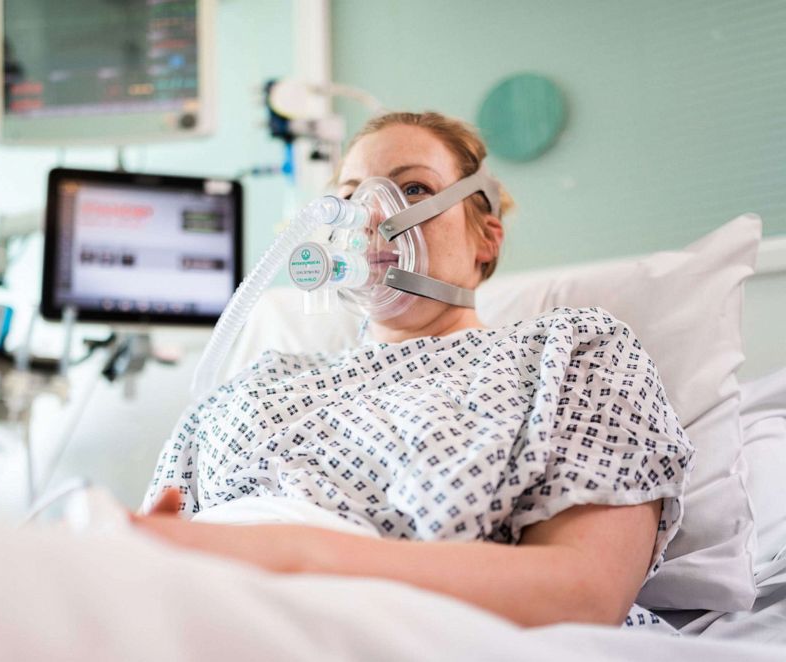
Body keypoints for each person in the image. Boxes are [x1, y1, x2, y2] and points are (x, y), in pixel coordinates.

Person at [133, 111, 694, 628]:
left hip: (391, 630)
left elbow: (585, 594)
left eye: (414, 189)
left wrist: (291, 555)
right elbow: (139, 546)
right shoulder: (258, 380)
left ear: (485, 239)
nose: (375, 217)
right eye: (351, 197)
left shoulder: (569, 353)